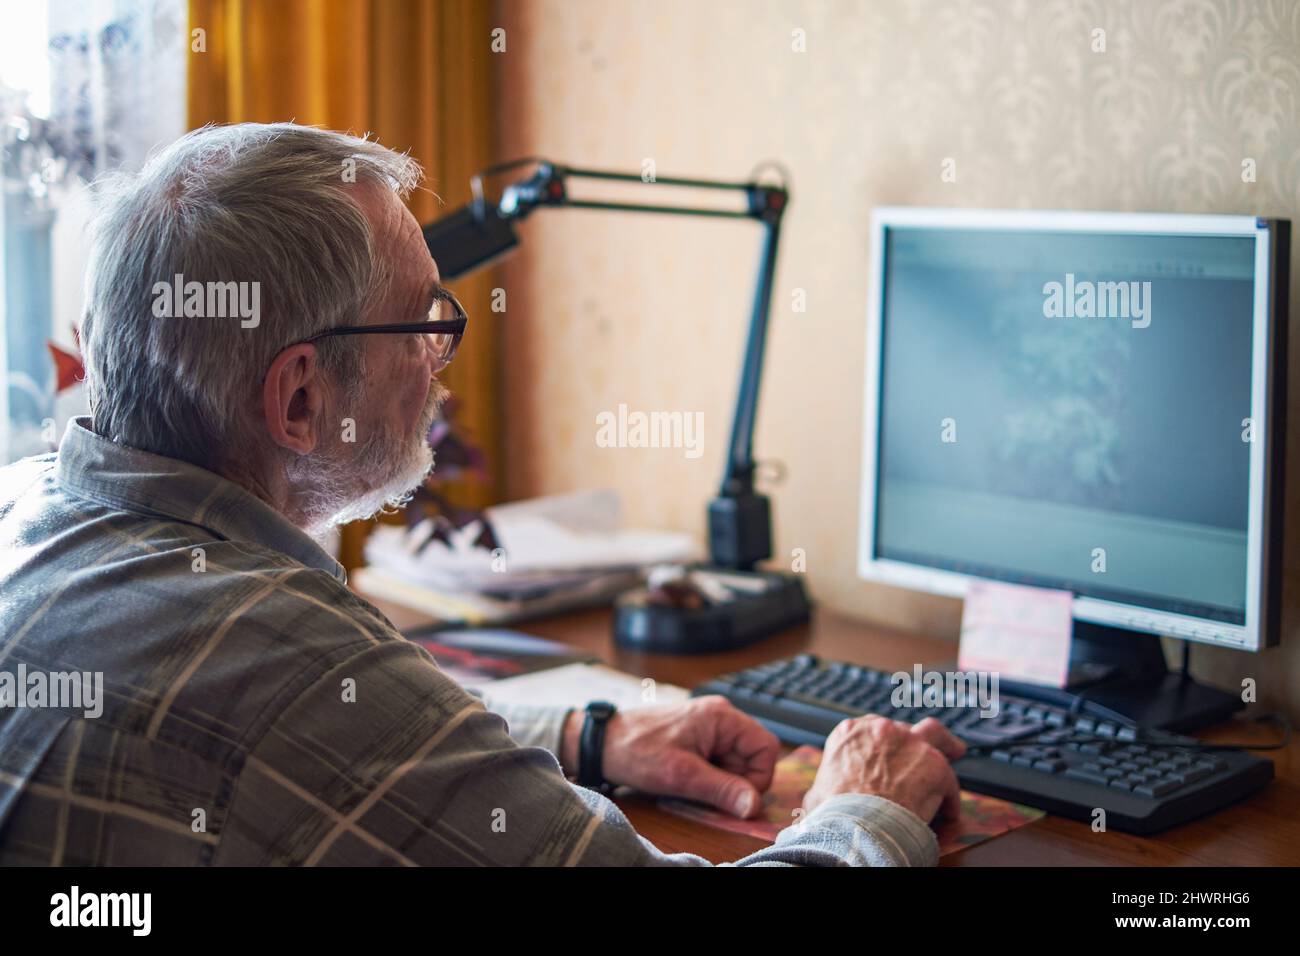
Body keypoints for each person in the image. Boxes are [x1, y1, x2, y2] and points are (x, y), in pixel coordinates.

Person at [0, 123, 964, 866]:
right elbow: (310, 717)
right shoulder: (283, 665)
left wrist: (594, 735)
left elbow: (321, 744)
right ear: (298, 398)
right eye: (420, 320)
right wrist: (862, 805)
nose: (439, 355)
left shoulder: (28, 508)